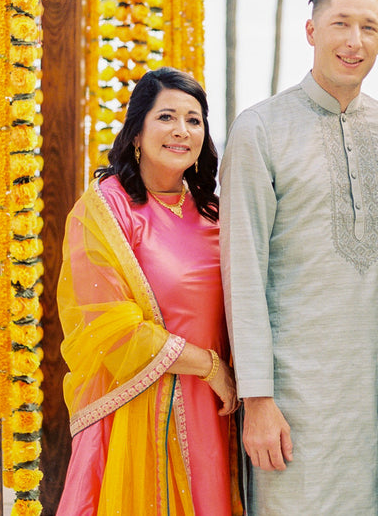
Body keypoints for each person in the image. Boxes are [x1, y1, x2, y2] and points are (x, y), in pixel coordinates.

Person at [220, 0, 378, 515]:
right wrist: (258, 398)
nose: (354, 41)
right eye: (340, 23)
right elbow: (243, 269)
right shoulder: (260, 127)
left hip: (371, 383)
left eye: (368, 27)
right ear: (311, 31)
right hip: (291, 390)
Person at [57, 67, 241, 516]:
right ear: (137, 131)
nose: (182, 130)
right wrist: (211, 368)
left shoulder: (216, 212)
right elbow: (112, 326)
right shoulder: (107, 209)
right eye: (167, 117)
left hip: (214, 414)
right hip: (138, 409)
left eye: (194, 120)